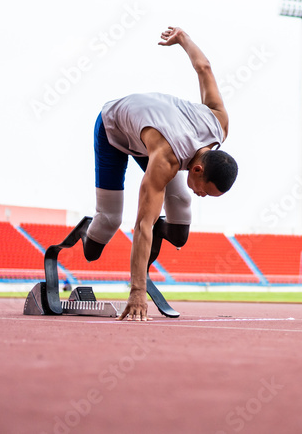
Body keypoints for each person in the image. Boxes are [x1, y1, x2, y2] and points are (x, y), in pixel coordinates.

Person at [82, 26, 237, 321]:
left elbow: (204, 68)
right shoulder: (166, 160)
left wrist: (183, 38)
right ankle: (84, 232)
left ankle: (152, 244)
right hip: (113, 129)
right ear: (199, 169)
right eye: (204, 189)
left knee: (179, 227)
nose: (201, 193)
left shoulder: (219, 124)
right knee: (109, 221)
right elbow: (141, 224)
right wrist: (137, 290)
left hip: (153, 131)